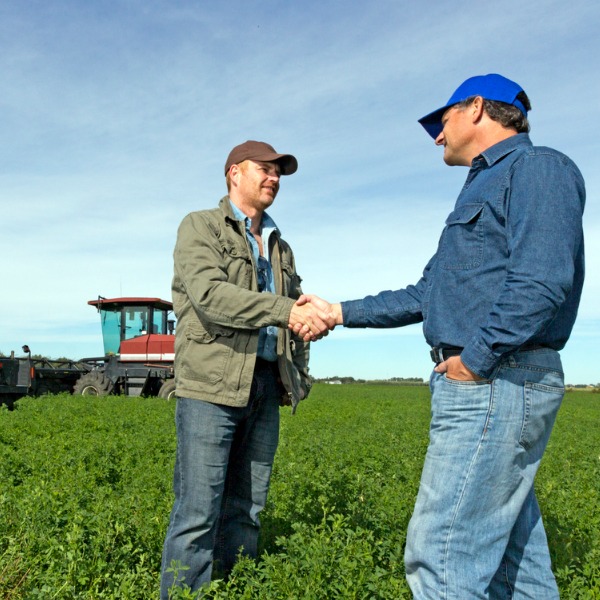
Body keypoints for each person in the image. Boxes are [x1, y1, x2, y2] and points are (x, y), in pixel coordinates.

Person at [296, 74, 585, 598]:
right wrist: (338, 311)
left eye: (441, 120)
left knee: (442, 558)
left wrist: (475, 361)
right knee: (515, 567)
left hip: (497, 380)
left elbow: (542, 281)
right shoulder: (479, 188)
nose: (436, 136)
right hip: (496, 381)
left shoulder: (539, 168)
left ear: (476, 107)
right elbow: (427, 293)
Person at [160, 140, 333, 598]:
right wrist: (285, 310)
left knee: (247, 509)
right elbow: (211, 297)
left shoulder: (281, 246)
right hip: (210, 389)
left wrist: (304, 349)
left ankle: (236, 590)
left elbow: (290, 313)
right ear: (234, 172)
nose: (274, 177)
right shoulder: (201, 227)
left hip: (264, 384)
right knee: (198, 512)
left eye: (279, 172)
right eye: (266, 168)